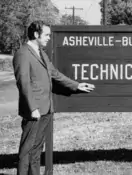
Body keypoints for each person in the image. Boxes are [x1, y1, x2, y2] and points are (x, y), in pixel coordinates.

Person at [12, 20, 95, 175]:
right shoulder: (22, 54)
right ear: (36, 34)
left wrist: (76, 85)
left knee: (36, 150)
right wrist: (33, 108)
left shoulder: (41, 53)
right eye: (46, 35)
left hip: (46, 108)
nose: (49, 38)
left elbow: (55, 74)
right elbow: (23, 83)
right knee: (26, 150)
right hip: (34, 111)